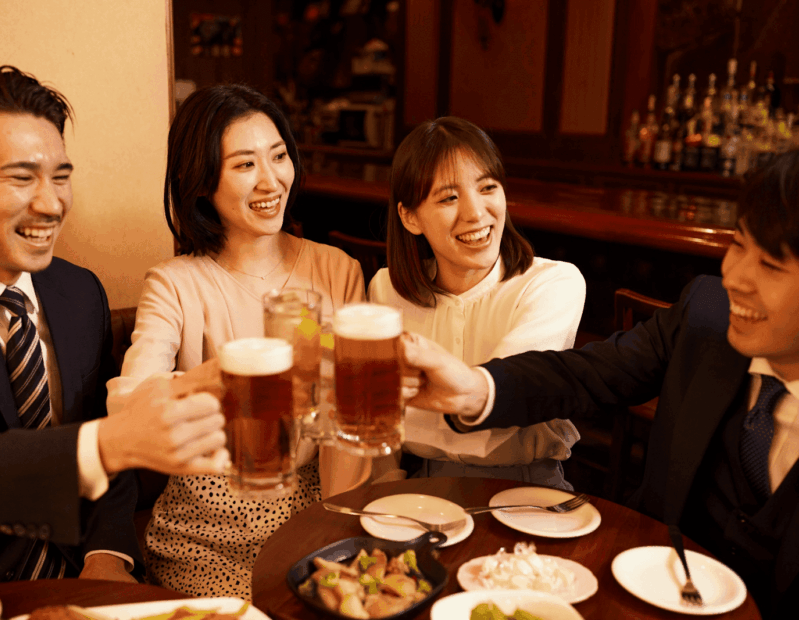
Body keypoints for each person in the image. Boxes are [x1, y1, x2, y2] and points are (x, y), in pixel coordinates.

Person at [0, 66, 227, 601]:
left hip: (74, 579)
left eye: (60, 177)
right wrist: (113, 442)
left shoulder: (77, 292)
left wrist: (108, 555)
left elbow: (97, 431)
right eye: (21, 177)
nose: (51, 203)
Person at [400, 150, 799, 618]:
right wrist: (474, 388)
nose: (734, 276)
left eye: (771, 265)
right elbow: (585, 374)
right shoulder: (707, 314)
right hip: (650, 593)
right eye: (738, 243)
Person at [106, 84, 367, 598]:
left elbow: (350, 420)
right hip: (206, 531)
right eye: (245, 165)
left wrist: (336, 530)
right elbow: (129, 402)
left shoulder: (337, 268)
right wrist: (235, 381)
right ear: (202, 182)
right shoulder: (174, 282)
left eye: (279, 156)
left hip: (319, 507)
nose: (271, 180)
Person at [368, 117, 585, 490]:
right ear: (409, 216)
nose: (476, 213)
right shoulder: (386, 289)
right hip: (421, 482)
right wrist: (388, 487)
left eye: (487, 188)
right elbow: (381, 419)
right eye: (449, 197)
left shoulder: (552, 284)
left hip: (528, 486)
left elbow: (509, 400)